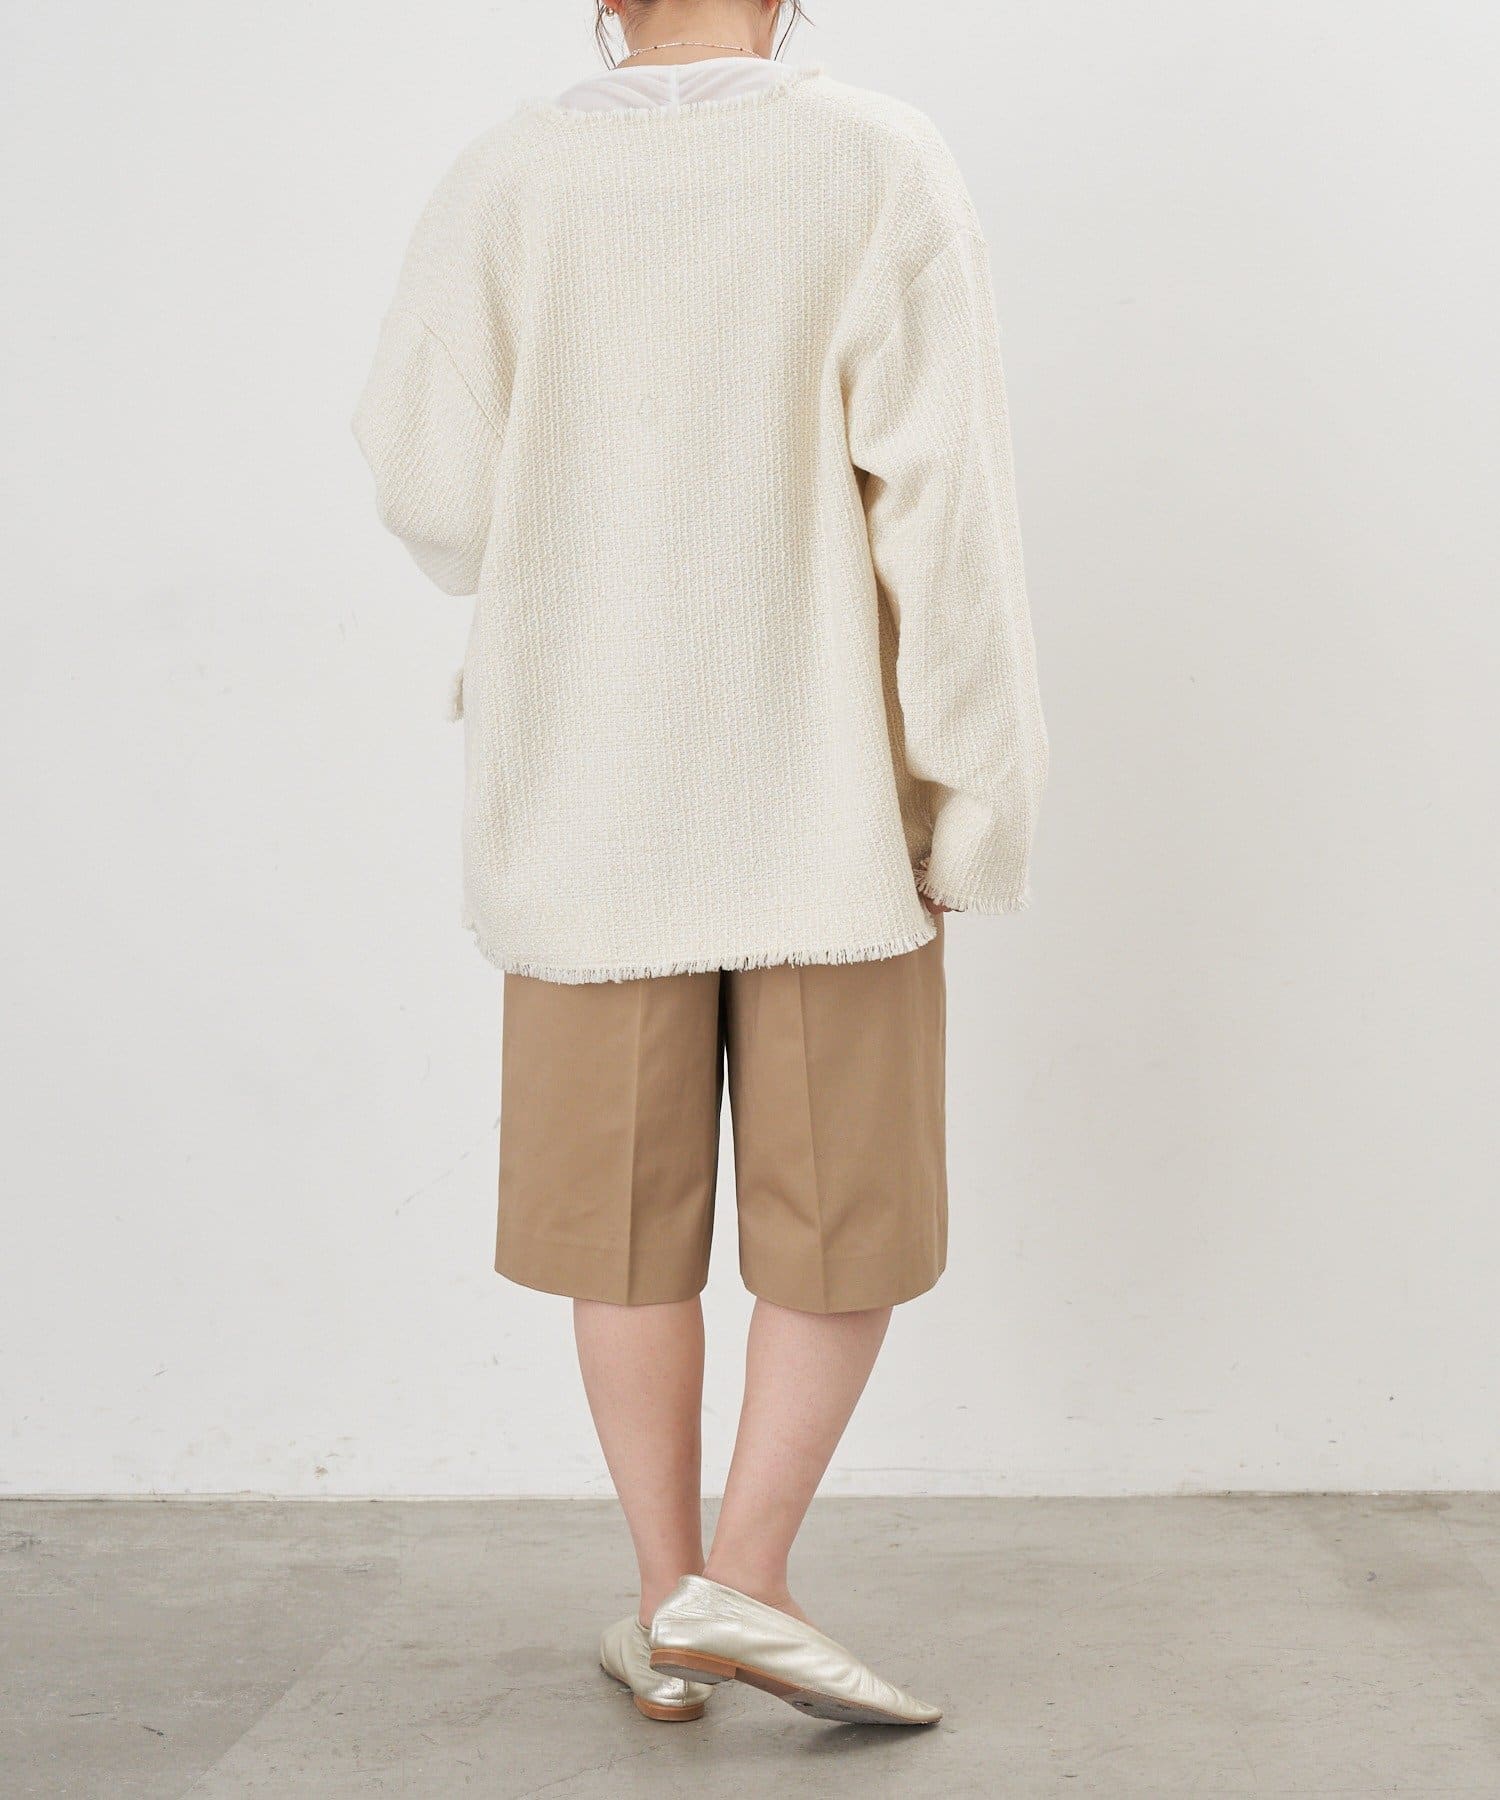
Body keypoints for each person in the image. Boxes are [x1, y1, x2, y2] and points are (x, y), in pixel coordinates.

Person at [353, 0, 1047, 1730]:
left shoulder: (510, 179)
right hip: (829, 799)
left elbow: (428, 488)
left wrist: (580, 516)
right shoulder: (873, 161)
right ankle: (746, 1578)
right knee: (842, 1216)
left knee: (620, 1221)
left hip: (583, 794)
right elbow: (947, 510)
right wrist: (975, 791)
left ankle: (674, 1607)